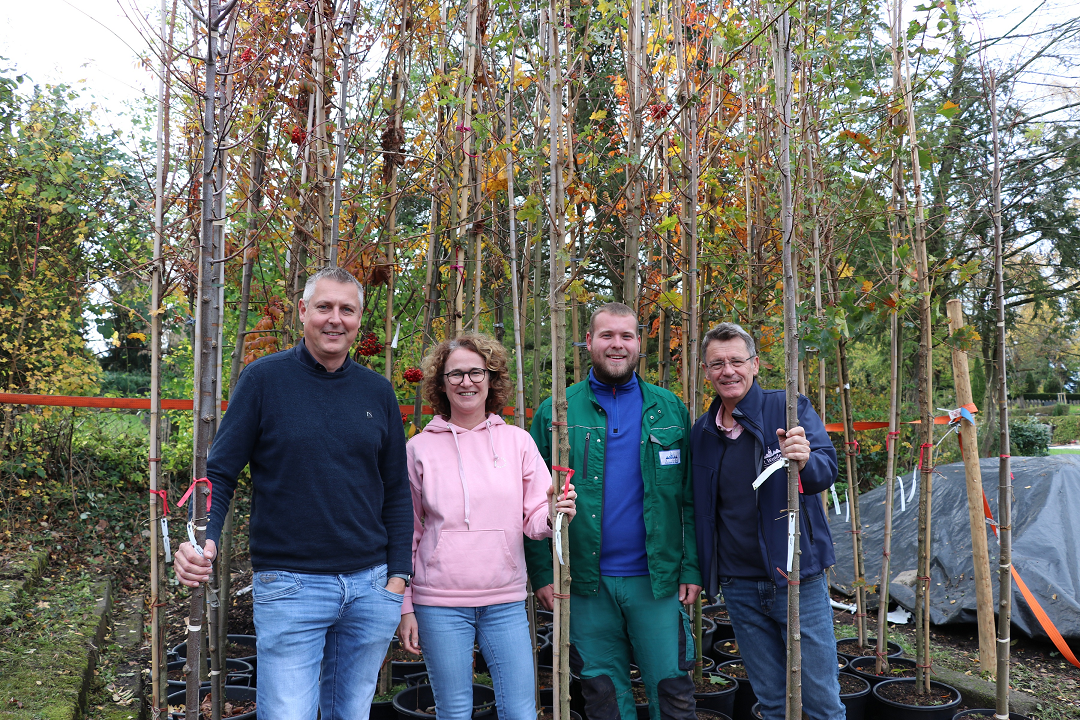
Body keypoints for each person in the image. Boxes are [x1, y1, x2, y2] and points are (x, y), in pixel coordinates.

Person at [173, 266, 413, 720]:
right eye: (324, 307)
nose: (334, 319)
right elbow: (219, 474)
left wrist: (397, 578)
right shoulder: (264, 380)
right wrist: (203, 538)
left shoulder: (378, 392)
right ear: (303, 311)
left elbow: (397, 491)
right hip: (291, 586)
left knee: (352, 712)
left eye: (347, 309)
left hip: (370, 587)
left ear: (360, 319)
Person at [525, 302, 702, 720]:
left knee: (674, 690)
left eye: (626, 336)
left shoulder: (669, 409)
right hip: (584, 582)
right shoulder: (557, 411)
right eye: (606, 335)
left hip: (655, 580)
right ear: (588, 342)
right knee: (603, 695)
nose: (616, 345)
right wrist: (543, 573)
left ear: (639, 343)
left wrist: (691, 567)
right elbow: (530, 499)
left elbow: (690, 498)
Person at [396, 333, 577, 720]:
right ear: (441, 383)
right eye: (455, 374)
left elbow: (534, 522)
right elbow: (405, 533)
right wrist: (405, 607)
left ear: (491, 378)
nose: (466, 382)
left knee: (521, 711)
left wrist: (552, 513)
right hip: (438, 603)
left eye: (476, 372)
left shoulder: (518, 442)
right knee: (455, 710)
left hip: (505, 600)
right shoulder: (417, 450)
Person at [690, 322, 844, 720]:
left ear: (755, 364)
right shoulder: (702, 433)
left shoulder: (788, 408)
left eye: (737, 361)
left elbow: (827, 469)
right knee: (772, 703)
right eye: (717, 363)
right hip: (739, 586)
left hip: (798, 579)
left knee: (823, 703)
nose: (728, 371)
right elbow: (698, 509)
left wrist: (805, 459)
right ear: (706, 372)